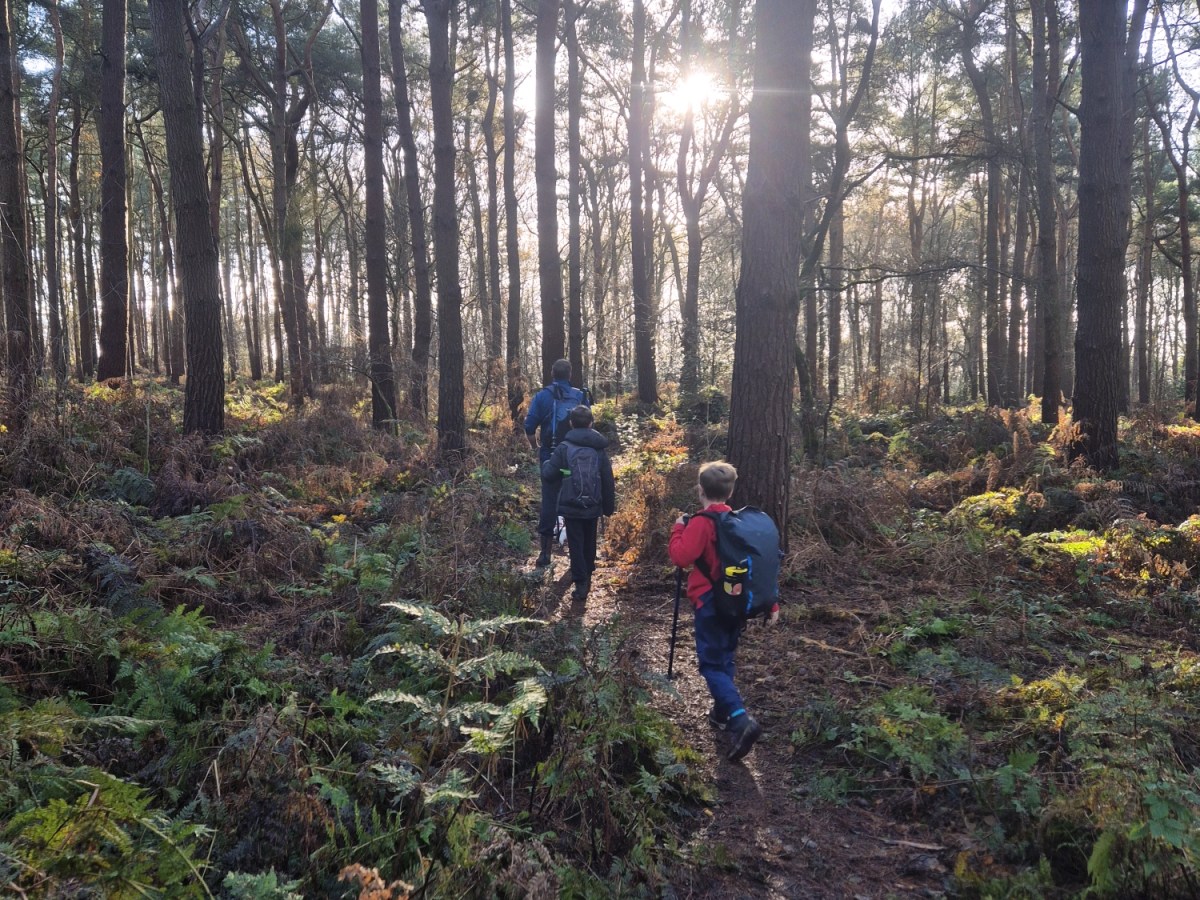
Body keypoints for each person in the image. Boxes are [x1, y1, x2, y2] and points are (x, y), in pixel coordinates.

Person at [668, 461, 779, 762]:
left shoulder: (702, 523)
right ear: (730, 493)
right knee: (725, 656)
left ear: (700, 490)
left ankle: (741, 719)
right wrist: (773, 603)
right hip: (736, 604)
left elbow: (681, 557)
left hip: (709, 603)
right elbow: (761, 567)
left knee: (711, 665)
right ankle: (721, 713)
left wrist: (679, 528)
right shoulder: (737, 523)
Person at [541, 406, 616, 602]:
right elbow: (608, 479)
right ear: (591, 423)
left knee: (575, 541)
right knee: (590, 539)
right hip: (594, 504)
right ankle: (588, 572)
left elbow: (549, 474)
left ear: (571, 423)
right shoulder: (599, 450)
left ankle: (581, 582)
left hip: (571, 504)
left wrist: (546, 464)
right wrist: (608, 507)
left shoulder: (564, 448)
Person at [524, 359, 588, 566]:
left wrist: (536, 448)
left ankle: (545, 553)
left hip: (551, 457)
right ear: (569, 375)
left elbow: (529, 427)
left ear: (552, 374)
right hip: (576, 458)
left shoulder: (542, 396)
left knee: (550, 500)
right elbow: (588, 426)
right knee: (575, 497)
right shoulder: (580, 396)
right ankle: (575, 553)